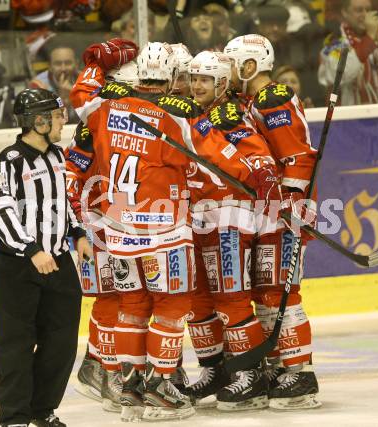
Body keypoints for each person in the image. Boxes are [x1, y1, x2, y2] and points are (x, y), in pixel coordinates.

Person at [70, 38, 276, 421]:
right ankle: (161, 387)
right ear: (170, 79)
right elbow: (217, 151)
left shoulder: (108, 107)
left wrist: (95, 63)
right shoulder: (176, 112)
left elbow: (82, 96)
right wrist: (257, 175)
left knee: (131, 307)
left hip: (118, 228)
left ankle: (128, 387)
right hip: (164, 230)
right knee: (171, 307)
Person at [224, 34, 321, 410]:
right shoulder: (249, 101)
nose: (228, 73)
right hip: (267, 210)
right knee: (265, 291)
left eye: (233, 65)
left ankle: (300, 372)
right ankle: (282, 364)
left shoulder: (271, 98)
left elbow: (297, 156)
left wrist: (292, 202)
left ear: (249, 67)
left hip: (283, 212)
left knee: (279, 291)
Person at [0, 88, 93, 427]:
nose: (64, 119)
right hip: (18, 266)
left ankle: (42, 408)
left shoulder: (58, 157)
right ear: (39, 121)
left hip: (58, 262)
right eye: (58, 115)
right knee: (15, 344)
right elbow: (1, 211)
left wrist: (77, 234)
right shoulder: (8, 161)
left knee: (61, 341)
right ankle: (15, 417)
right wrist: (32, 249)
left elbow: (64, 203)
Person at [184, 50, 280, 411]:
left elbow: (257, 155)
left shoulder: (228, 112)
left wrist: (266, 177)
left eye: (204, 79)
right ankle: (216, 369)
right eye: (194, 78)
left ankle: (250, 374)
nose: (196, 85)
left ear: (222, 82)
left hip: (231, 215)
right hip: (198, 215)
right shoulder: (194, 113)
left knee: (232, 295)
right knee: (199, 300)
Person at [68, 62, 139, 413]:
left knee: (126, 298)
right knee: (112, 297)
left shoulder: (128, 120)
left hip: (126, 221)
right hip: (98, 223)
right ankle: (107, 369)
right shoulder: (91, 127)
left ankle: (99, 364)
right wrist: (79, 225)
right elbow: (71, 174)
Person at [318, 0, 378, 105]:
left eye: (368, 10)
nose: (365, 15)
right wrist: (370, 39)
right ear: (345, 12)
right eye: (359, 10)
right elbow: (341, 74)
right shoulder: (334, 42)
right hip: (351, 116)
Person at [30, 44, 79, 122]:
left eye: (68, 63)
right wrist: (61, 102)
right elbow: (40, 121)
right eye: (58, 64)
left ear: (76, 64)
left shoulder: (87, 81)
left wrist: (77, 96)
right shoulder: (38, 85)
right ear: (50, 66)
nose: (63, 68)